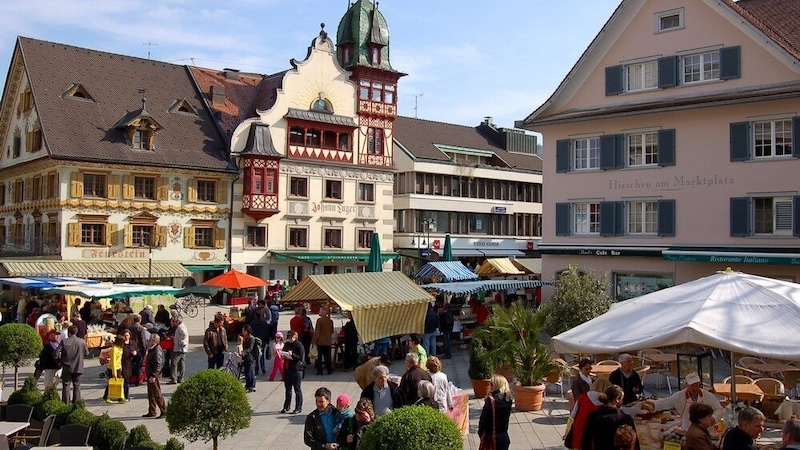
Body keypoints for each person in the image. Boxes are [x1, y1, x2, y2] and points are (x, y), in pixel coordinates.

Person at [642, 373, 723, 431]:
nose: (695, 388)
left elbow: (719, 409)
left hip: (707, 430)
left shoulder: (708, 395)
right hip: (687, 430)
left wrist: (713, 419)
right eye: (692, 385)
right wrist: (653, 404)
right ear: (686, 385)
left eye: (697, 385)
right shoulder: (679, 396)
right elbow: (666, 402)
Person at [581, 385, 637, 450]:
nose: (622, 402)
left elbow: (586, 441)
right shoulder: (625, 419)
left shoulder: (593, 415)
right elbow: (630, 443)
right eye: (622, 399)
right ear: (617, 399)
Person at [478, 374, 514, 450]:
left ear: (496, 385)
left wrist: (481, 434)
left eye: (491, 384)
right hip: (504, 437)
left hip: (491, 438)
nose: (489, 386)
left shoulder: (491, 401)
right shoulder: (508, 400)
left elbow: (483, 420)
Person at [59, 325, 88, 404]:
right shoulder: (82, 341)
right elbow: (87, 353)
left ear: (69, 332)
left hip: (67, 366)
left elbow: (56, 353)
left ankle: (65, 403)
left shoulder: (64, 341)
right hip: (78, 366)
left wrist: (60, 362)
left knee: (66, 385)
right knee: (77, 386)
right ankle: (76, 403)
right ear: (76, 332)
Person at [142, 334, 167, 418]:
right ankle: (152, 411)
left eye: (149, 340)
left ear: (154, 341)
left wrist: (153, 375)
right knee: (151, 394)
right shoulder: (152, 349)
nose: (148, 341)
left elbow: (159, 364)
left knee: (156, 393)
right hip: (150, 374)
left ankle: (164, 411)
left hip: (154, 375)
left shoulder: (157, 350)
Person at [281, 330, 305, 414]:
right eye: (288, 337)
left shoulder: (299, 345)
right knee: (288, 389)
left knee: (297, 389)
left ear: (295, 336)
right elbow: (283, 351)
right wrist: (283, 354)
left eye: (291, 337)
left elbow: (300, 357)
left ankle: (298, 407)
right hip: (287, 369)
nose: (290, 338)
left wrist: (292, 355)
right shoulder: (287, 344)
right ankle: (286, 406)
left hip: (296, 369)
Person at [312, 307, 334, 376]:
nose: (319, 312)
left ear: (323, 312)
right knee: (327, 356)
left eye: (320, 311)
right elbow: (332, 331)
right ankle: (329, 370)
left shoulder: (319, 321)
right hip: (327, 341)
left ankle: (319, 371)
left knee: (319, 357)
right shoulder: (330, 321)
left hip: (320, 341)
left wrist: (314, 341)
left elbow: (317, 332)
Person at [104, 335, 126, 403]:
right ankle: (107, 396)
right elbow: (113, 361)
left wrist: (121, 367)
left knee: (118, 382)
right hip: (113, 367)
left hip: (118, 366)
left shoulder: (120, 348)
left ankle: (119, 397)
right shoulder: (114, 349)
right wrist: (114, 372)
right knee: (111, 382)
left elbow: (120, 359)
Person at [251, 302, 271, 375]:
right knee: (261, 354)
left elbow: (251, 332)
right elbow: (267, 332)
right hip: (262, 340)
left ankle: (257, 369)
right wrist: (267, 341)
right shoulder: (264, 322)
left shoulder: (253, 323)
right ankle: (263, 368)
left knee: (256, 355)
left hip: (255, 341)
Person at [169, 315, 188, 384]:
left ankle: (174, 378)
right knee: (181, 364)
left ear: (178, 321)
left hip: (179, 348)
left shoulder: (180, 327)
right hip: (182, 348)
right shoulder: (180, 327)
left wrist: (181, 341)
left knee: (174, 363)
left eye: (175, 321)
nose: (174, 323)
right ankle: (181, 378)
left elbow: (184, 334)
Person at [130, 314, 148, 386]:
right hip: (139, 349)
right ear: (140, 320)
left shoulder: (130, 327)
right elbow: (143, 340)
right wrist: (145, 349)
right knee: (139, 365)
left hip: (131, 348)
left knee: (131, 365)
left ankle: (130, 379)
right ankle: (138, 381)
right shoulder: (141, 328)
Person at [241, 325, 257, 392]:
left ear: (247, 331)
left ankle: (252, 385)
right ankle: (247, 385)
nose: (242, 332)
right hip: (245, 357)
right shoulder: (245, 337)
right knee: (246, 372)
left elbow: (250, 348)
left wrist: (244, 352)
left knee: (251, 372)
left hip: (250, 358)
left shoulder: (251, 338)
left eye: (243, 330)